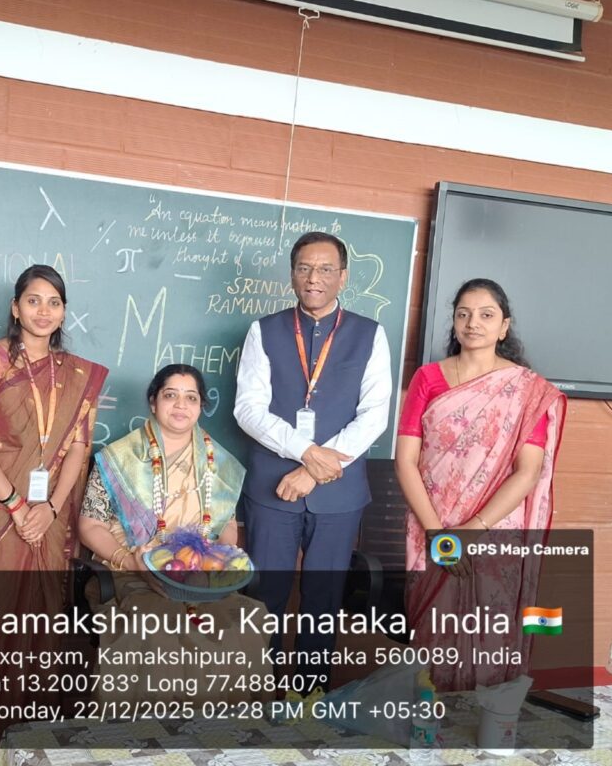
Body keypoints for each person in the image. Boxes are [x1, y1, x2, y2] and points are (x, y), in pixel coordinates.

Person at [0, 264, 107, 760]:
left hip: (45, 517)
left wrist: (52, 508)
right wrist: (15, 503)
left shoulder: (77, 373)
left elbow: (79, 448)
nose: (43, 311)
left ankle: (17, 744)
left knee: (33, 625)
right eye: (33, 300)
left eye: (54, 302)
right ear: (16, 308)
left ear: (63, 312)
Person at [234, 230, 392, 691]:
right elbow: (248, 409)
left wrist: (313, 470)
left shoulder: (370, 334)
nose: (313, 278)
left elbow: (375, 414)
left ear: (343, 276)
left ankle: (310, 698)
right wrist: (303, 452)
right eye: (304, 268)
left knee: (323, 602)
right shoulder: (263, 330)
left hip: (338, 494)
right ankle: (261, 696)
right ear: (292, 274)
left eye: (325, 269)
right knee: (264, 599)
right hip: (271, 490)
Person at [395, 277, 566, 691]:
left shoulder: (526, 391)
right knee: (433, 640)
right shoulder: (428, 378)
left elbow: (528, 472)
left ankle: (485, 722)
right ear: (454, 323)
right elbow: (406, 461)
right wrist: (438, 534)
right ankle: (428, 722)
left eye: (486, 315)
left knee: (490, 634)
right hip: (431, 523)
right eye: (464, 314)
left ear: (504, 327)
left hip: (494, 530)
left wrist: (472, 531)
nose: (473, 323)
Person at [79, 364, 271, 704]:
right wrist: (128, 560)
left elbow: (226, 525)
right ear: (153, 402)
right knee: (158, 627)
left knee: (246, 620)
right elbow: (90, 525)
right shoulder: (118, 459)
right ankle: (145, 731)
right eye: (171, 395)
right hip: (131, 574)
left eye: (191, 398)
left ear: (201, 406)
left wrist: (221, 556)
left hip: (200, 578)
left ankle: (226, 729)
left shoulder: (219, 465)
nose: (181, 405)